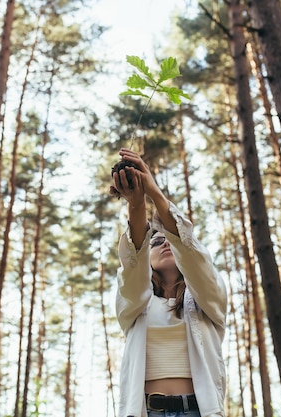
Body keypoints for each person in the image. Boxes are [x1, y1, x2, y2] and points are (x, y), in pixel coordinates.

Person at [110, 148, 228, 417]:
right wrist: (136, 203)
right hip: (147, 411)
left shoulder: (207, 299)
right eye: (156, 241)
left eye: (169, 240)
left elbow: (194, 257)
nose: (164, 243)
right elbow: (132, 268)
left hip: (199, 411)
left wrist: (153, 190)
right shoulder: (135, 304)